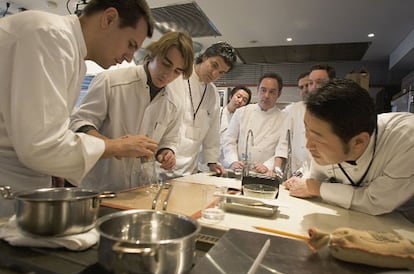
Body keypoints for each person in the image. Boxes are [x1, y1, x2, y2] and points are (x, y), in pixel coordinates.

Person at [0, 0, 156, 217]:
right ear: (108, 19)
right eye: (130, 44)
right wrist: (115, 147)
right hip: (8, 186)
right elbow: (40, 146)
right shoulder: (49, 34)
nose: (129, 57)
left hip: (24, 188)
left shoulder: (73, 56)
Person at [69, 31, 194, 191]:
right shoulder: (111, 81)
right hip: (101, 187)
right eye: (166, 64)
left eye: (177, 71)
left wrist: (167, 152)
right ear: (153, 54)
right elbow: (79, 123)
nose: (168, 74)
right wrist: (115, 146)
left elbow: (168, 140)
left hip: (140, 189)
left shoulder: (174, 103)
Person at [285, 79, 414, 218]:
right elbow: (314, 181)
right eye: (307, 131)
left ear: (358, 142)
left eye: (317, 138)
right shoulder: (324, 144)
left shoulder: (406, 139)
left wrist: (316, 188)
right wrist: (308, 186)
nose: (308, 145)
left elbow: (376, 202)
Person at [168, 42, 237, 177]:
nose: (215, 74)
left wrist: (212, 161)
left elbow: (213, 132)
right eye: (214, 65)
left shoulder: (213, 94)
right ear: (205, 57)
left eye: (221, 72)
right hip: (163, 162)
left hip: (189, 169)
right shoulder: (176, 78)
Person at [221, 73, 289, 175]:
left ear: (278, 94)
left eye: (272, 92)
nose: (266, 95)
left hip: (264, 173)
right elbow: (229, 140)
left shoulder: (284, 118)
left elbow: (282, 149)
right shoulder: (242, 112)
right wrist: (233, 161)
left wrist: (267, 166)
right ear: (258, 90)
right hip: (239, 171)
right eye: (263, 90)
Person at [283, 65, 336, 175]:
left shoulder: (338, 112)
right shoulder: (294, 109)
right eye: (311, 83)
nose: (313, 88)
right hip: (297, 172)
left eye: (320, 83)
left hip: (328, 175)